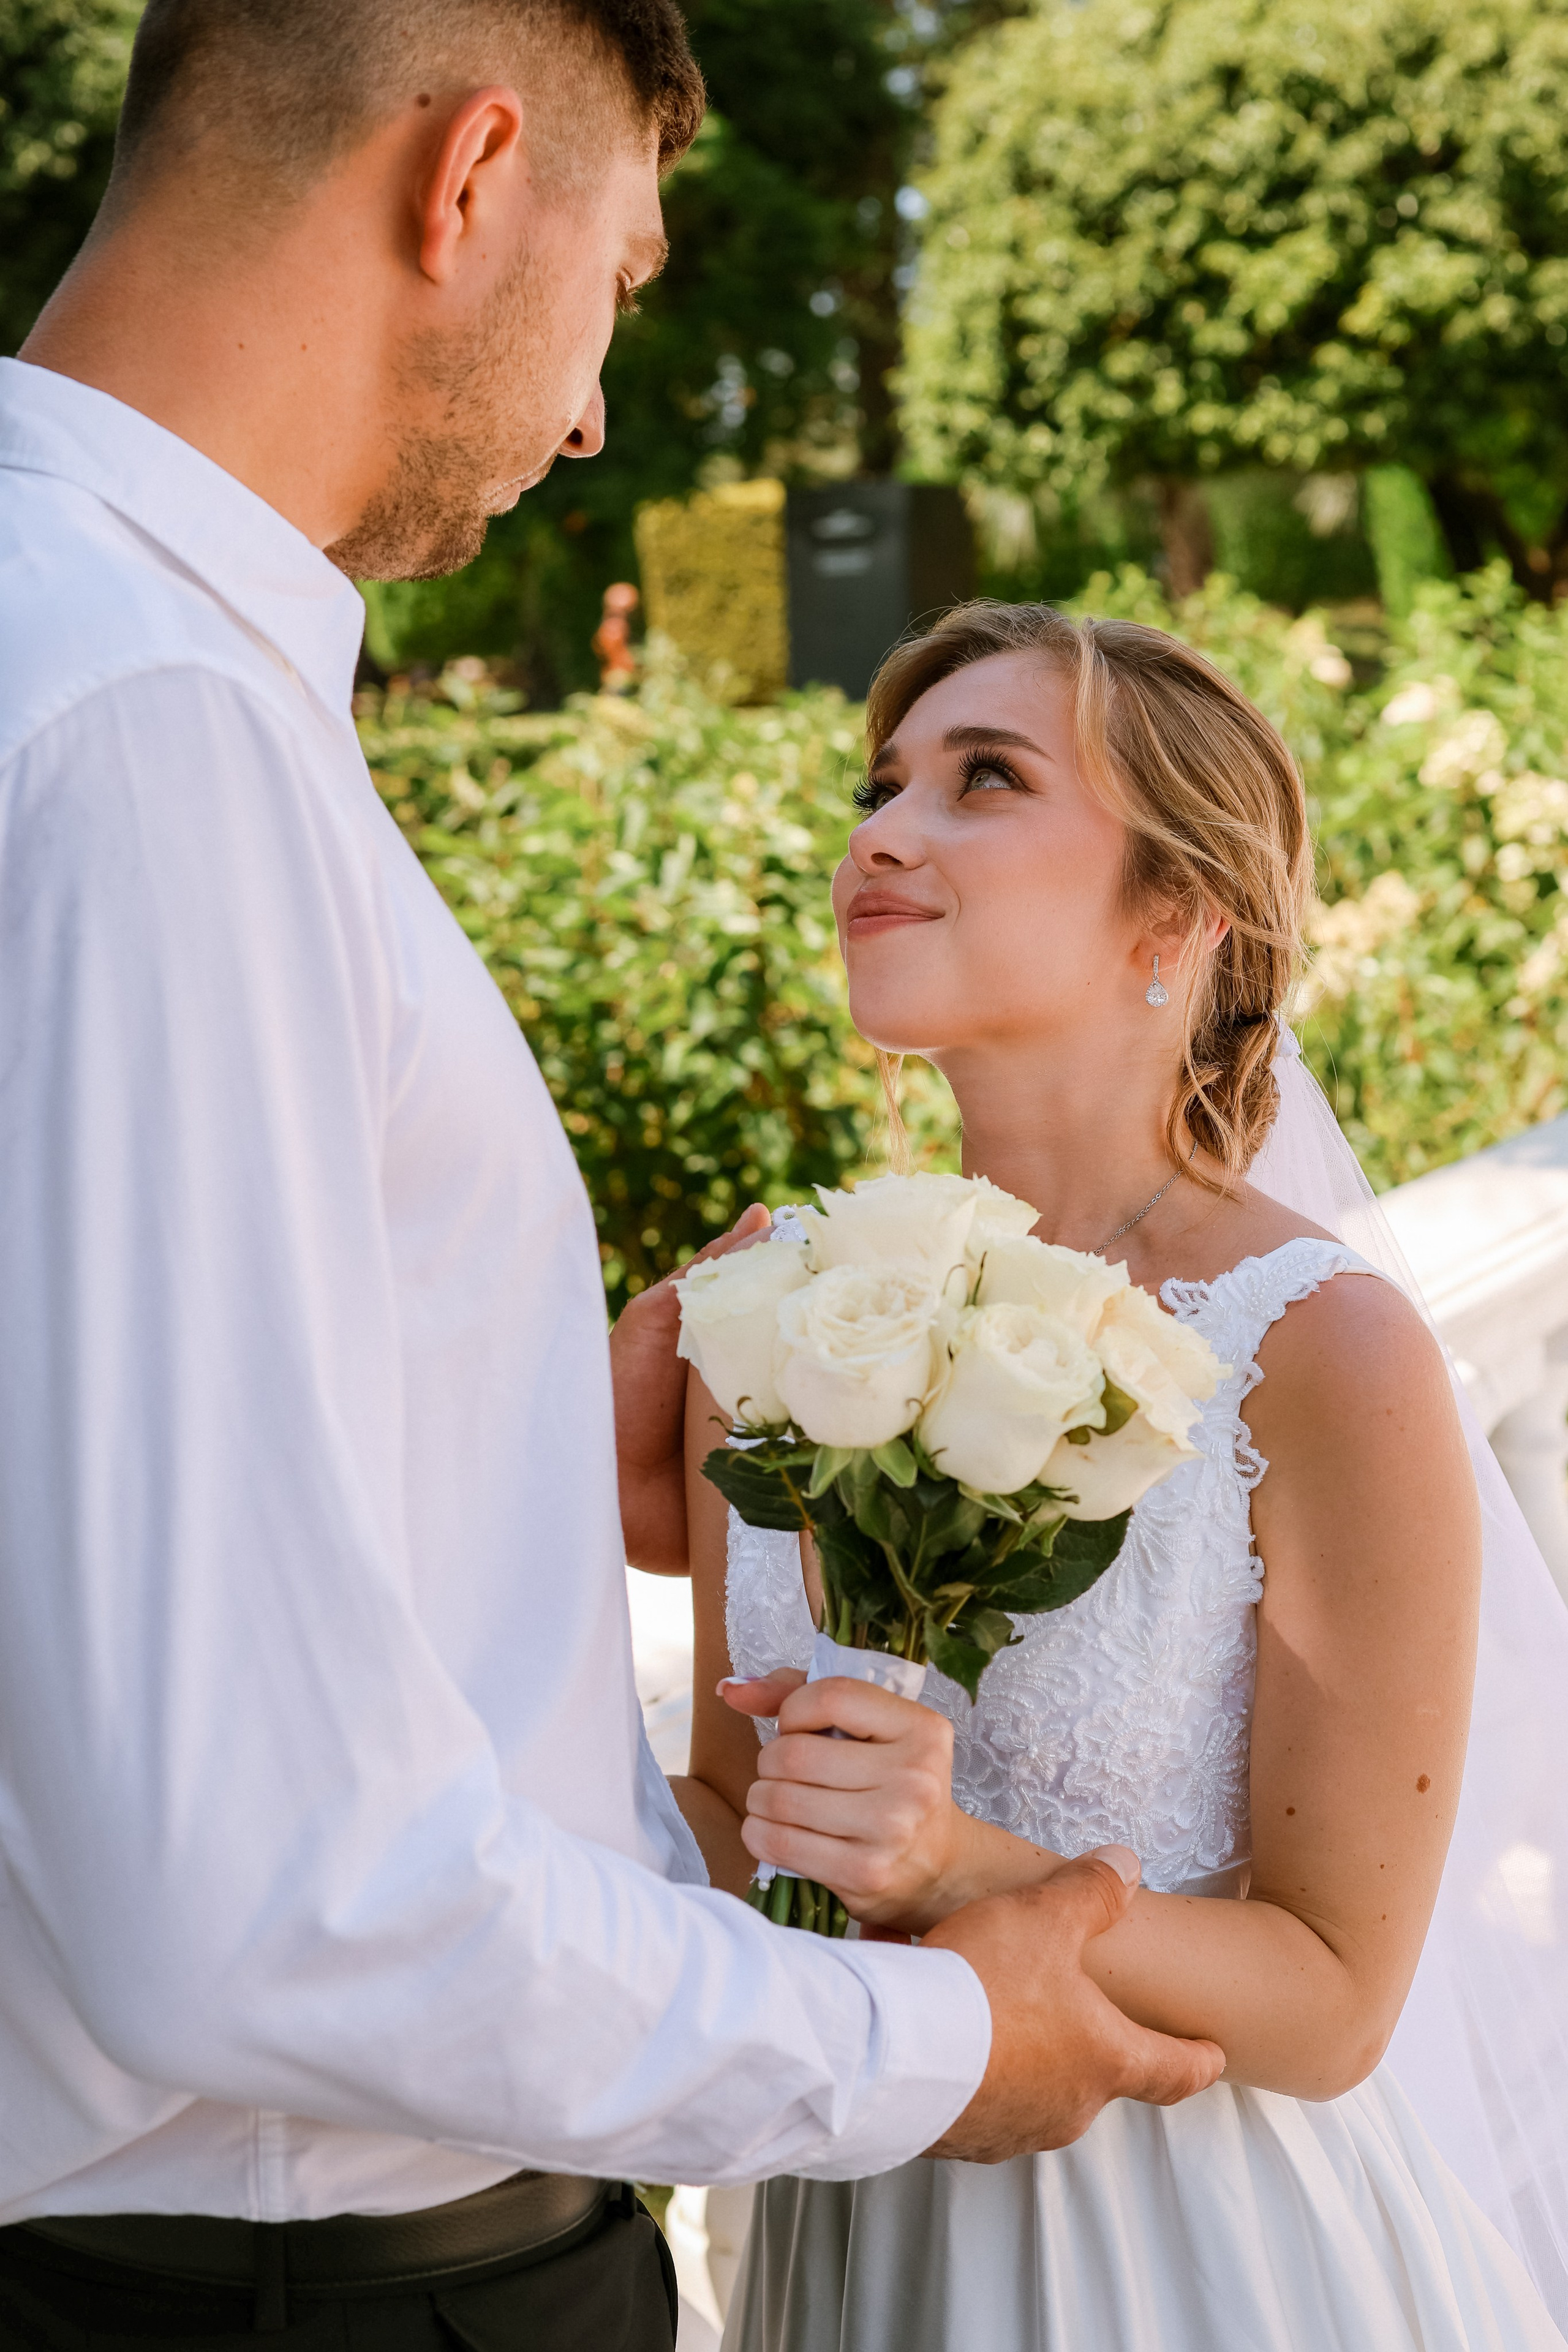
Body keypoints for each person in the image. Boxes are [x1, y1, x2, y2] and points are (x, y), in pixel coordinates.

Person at [0, 9, 1225, 2346]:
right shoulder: (156, 722)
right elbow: (258, 1891)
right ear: (467, 184)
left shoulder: (87, 650)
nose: (587, 413)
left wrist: (501, 1442)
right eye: (627, 286)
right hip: (290, 2276)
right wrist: (945, 2043)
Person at [678, 601, 1568, 2351]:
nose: (880, 832)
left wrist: (955, 1865)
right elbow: (724, 1815)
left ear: (1174, 914)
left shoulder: (1322, 1347)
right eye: (884, 785)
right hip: (847, 2214)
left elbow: (1333, 1998)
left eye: (982, 779)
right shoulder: (776, 1306)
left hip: (1192, 2248)